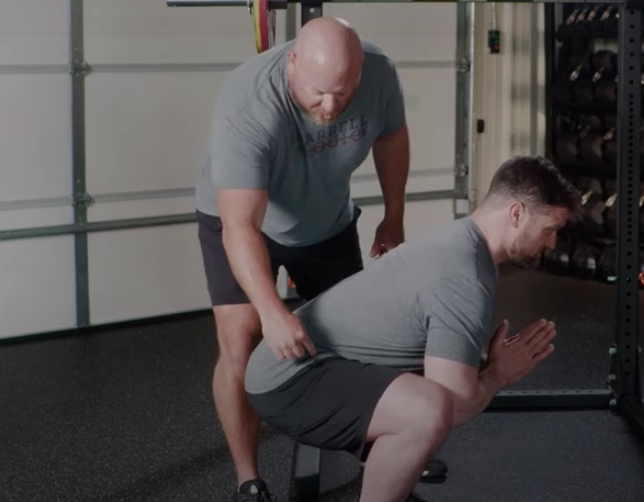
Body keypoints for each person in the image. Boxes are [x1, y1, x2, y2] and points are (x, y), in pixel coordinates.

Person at [193, 16, 448, 502]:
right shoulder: (248, 104)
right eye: (317, 93)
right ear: (292, 62)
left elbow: (391, 137)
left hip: (323, 217)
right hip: (242, 222)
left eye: (342, 92)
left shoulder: (378, 73)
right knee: (241, 340)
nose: (330, 106)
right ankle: (247, 478)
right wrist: (272, 312)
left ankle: (383, 445)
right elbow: (241, 225)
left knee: (360, 336)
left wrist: (394, 217)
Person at [244, 155, 581, 502]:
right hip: (289, 379)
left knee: (436, 385)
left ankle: (388, 463)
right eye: (550, 229)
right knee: (428, 411)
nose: (552, 244)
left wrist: (481, 368)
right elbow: (455, 406)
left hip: (306, 363)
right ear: (516, 214)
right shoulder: (464, 277)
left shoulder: (463, 240)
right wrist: (498, 374)